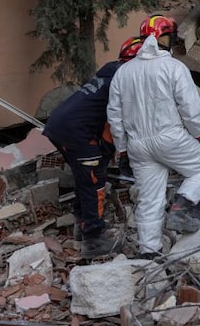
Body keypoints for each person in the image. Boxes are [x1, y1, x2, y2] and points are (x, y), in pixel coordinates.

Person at [107, 14, 200, 257]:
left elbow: (115, 115)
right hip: (170, 137)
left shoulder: (123, 72)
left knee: (149, 198)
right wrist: (199, 134)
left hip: (137, 145)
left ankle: (149, 251)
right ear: (168, 37)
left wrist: (122, 149)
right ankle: (181, 206)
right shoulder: (174, 67)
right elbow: (190, 107)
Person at [43, 36, 143, 259]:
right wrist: (110, 154)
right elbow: (112, 124)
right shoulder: (123, 82)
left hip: (60, 125)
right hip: (75, 131)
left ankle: (82, 223)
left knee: (84, 177)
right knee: (94, 180)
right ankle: (94, 239)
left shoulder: (109, 74)